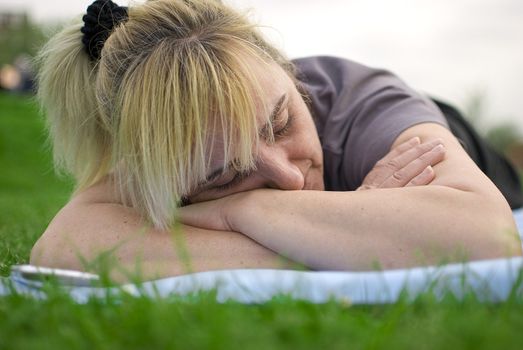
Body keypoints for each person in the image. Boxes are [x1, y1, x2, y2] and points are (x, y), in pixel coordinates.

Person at [30, 0, 522, 281]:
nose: (287, 176)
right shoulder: (160, 154)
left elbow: (488, 238)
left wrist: (231, 213)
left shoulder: (363, 99)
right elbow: (65, 243)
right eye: (224, 175)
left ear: (291, 75)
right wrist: (328, 233)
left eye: (282, 124)